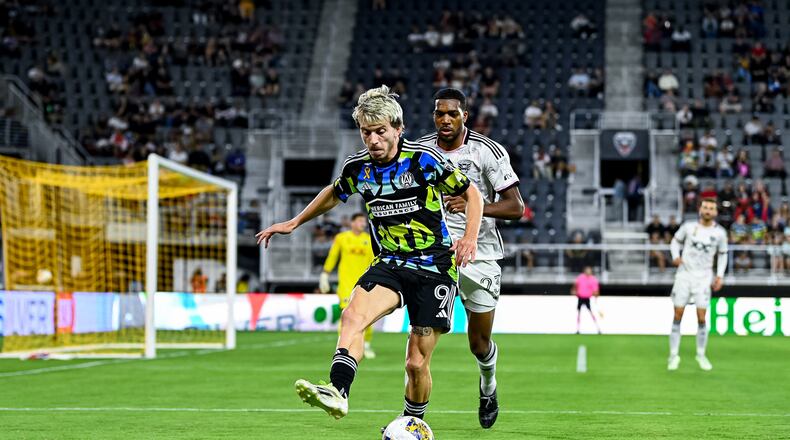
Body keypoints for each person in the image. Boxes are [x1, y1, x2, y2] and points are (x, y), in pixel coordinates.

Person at [256, 85, 483, 420]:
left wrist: (470, 238)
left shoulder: (423, 160)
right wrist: (295, 221)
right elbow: (334, 192)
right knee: (352, 317)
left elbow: (472, 193)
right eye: (366, 133)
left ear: (398, 129)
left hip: (433, 267)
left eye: (380, 132)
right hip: (390, 263)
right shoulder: (358, 168)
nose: (373, 140)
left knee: (415, 363)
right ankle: (338, 392)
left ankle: (412, 423)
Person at [416, 88, 524, 429]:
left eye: (452, 113)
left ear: (465, 115)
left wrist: (474, 206)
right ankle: (412, 418)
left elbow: (516, 207)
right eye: (439, 113)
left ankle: (488, 386)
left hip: (480, 254)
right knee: (420, 342)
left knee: (479, 344)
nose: (445, 119)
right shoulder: (420, 151)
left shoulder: (487, 151)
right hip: (434, 254)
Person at [668, 198, 728, 371]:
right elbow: (675, 241)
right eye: (705, 207)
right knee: (678, 314)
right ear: (700, 209)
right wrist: (675, 256)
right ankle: (673, 355)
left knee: (702, 317)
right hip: (685, 275)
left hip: (704, 278)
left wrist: (720, 276)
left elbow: (723, 254)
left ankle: (701, 354)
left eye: (711, 208)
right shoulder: (688, 227)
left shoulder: (720, 233)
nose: (708, 210)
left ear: (715, 212)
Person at [319, 212, 377, 359]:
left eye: (364, 221)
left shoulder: (369, 239)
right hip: (346, 284)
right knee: (347, 316)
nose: (363, 224)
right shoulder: (341, 238)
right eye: (360, 221)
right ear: (352, 223)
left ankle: (366, 345)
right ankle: (343, 346)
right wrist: (325, 273)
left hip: (365, 283)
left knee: (368, 316)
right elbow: (333, 256)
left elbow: (374, 260)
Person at [571, 265, 601, 334]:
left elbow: (596, 290)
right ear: (584, 271)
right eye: (587, 270)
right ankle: (577, 329)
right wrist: (574, 290)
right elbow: (575, 285)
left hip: (588, 298)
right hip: (580, 297)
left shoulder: (593, 279)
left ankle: (598, 328)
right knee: (578, 313)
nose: (588, 272)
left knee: (591, 313)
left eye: (589, 270)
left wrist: (596, 298)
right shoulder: (580, 277)